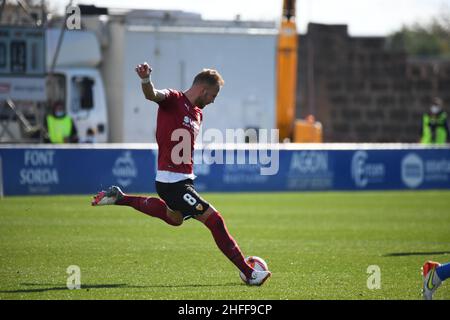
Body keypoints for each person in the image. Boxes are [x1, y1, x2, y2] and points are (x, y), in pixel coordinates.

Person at [91, 63, 271, 286]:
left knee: (174, 219)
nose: (214, 100)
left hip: (182, 181)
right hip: (172, 183)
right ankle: (250, 272)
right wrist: (146, 80)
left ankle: (121, 197)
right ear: (204, 90)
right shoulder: (173, 99)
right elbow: (152, 95)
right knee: (215, 220)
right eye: (213, 95)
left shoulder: (198, 113)